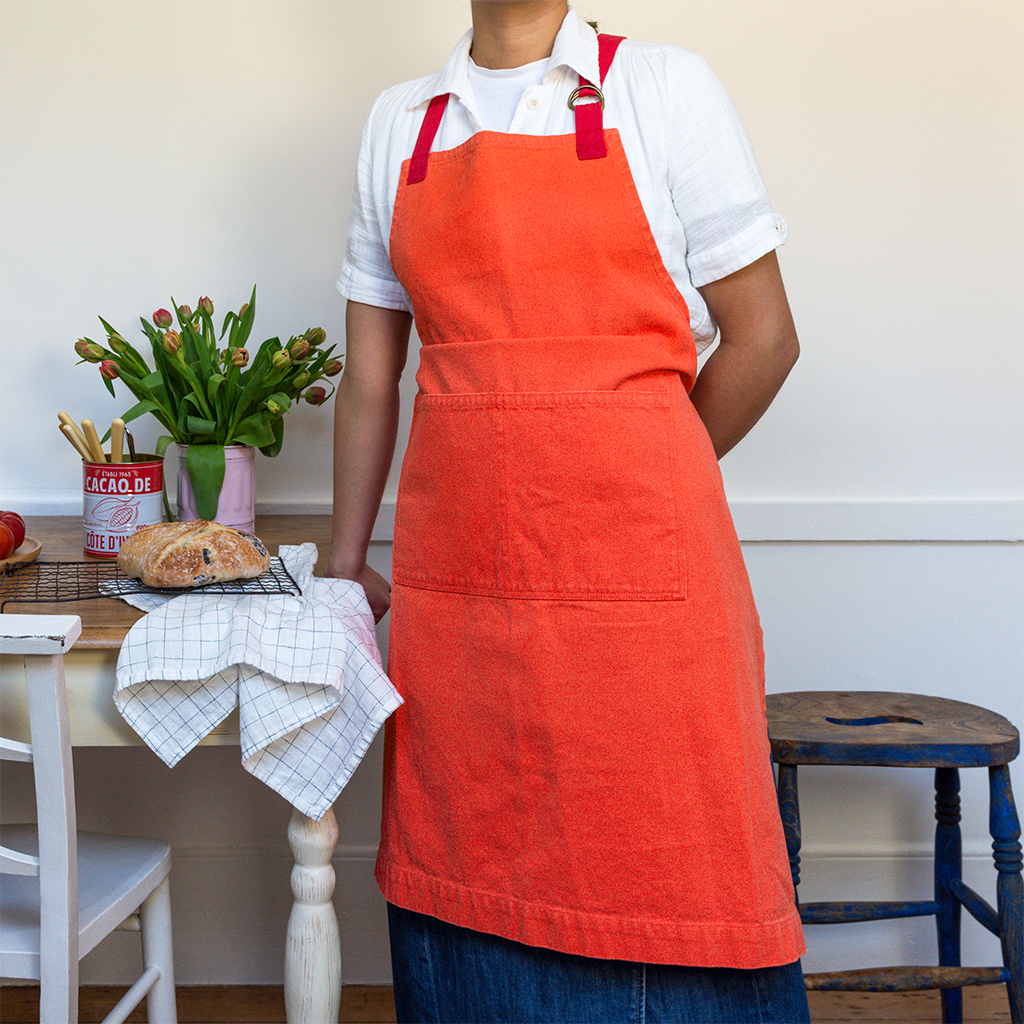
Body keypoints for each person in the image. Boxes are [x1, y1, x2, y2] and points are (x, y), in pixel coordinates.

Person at [328, 3, 809, 1021]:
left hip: (646, 604)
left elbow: (763, 338)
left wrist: (642, 469)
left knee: (671, 857)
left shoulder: (662, 89)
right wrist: (340, 561)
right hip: (461, 598)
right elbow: (372, 376)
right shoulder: (399, 122)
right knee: (469, 860)